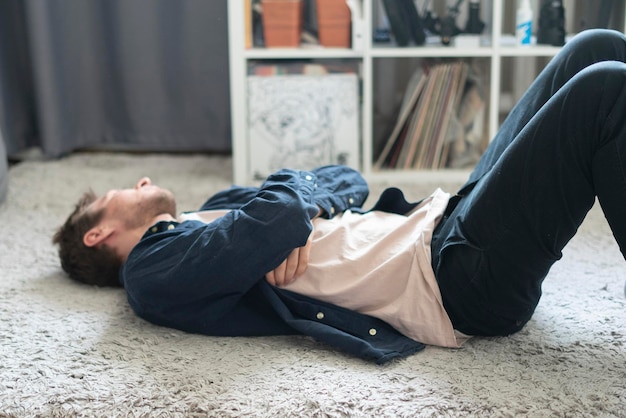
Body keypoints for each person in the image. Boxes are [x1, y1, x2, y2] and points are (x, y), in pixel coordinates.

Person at [54, 29, 626, 364]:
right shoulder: (152, 273)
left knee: (592, 46)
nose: (143, 183)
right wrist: (287, 214)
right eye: (124, 191)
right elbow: (279, 210)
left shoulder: (220, 206)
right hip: (453, 279)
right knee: (604, 92)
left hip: (446, 220)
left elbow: (346, 178)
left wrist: (290, 219)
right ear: (98, 233)